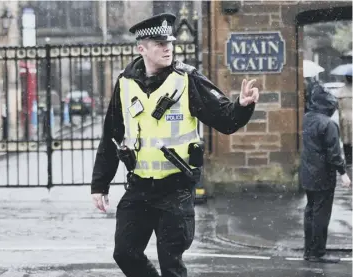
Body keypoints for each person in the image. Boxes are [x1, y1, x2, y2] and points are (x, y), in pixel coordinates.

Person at [91, 13, 259, 277]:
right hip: (140, 187)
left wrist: (242, 106)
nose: (167, 47)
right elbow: (111, 135)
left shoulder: (187, 79)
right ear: (141, 48)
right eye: (158, 43)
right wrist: (100, 184)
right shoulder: (125, 83)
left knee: (171, 263)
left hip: (176, 188)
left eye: (168, 42)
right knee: (125, 253)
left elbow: (226, 121)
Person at [300, 87, 351, 263]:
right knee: (321, 214)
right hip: (322, 175)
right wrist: (343, 173)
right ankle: (317, 252)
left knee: (310, 211)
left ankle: (309, 250)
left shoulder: (306, 119)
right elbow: (334, 154)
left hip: (307, 173)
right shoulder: (328, 124)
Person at [335, 74, 352, 167]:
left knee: (346, 140)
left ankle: (349, 160)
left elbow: (338, 106)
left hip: (344, 118)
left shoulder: (341, 91)